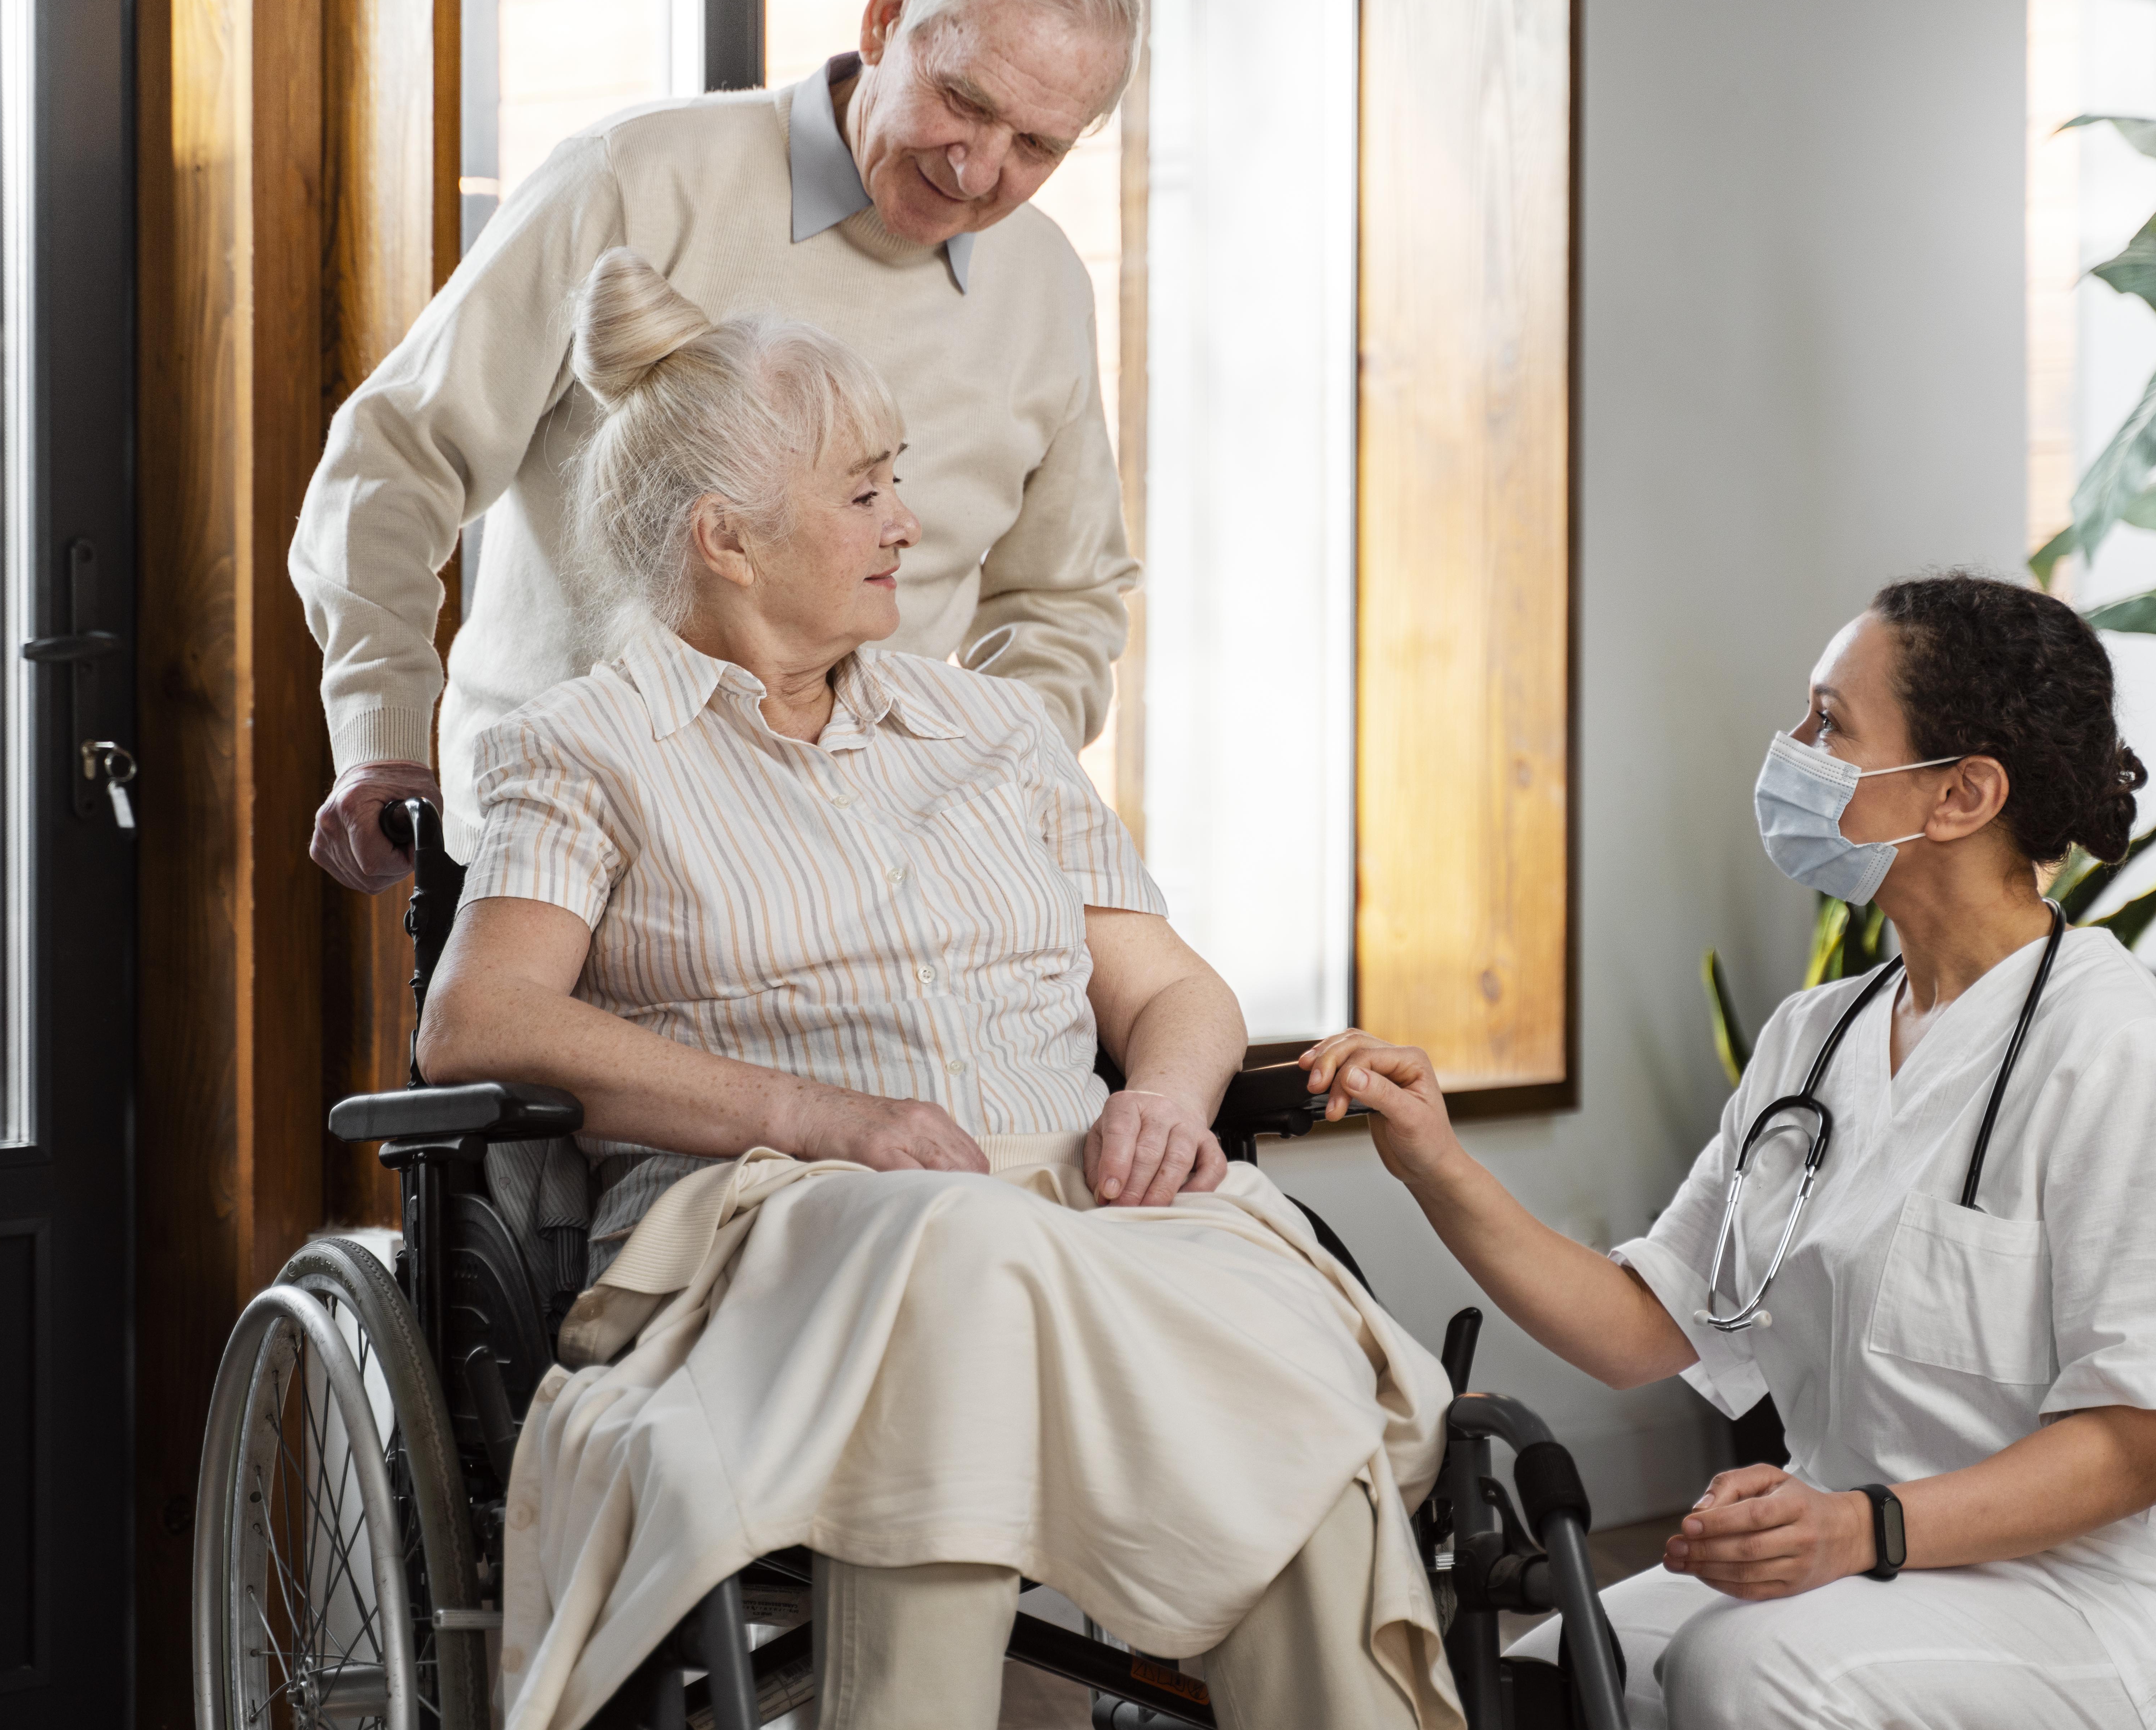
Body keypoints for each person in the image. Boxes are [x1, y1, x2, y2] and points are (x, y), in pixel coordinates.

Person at [422, 252, 1435, 1729]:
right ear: (727, 538)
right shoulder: (586, 748)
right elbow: (482, 1020)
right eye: (862, 492)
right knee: (955, 1241)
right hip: (780, 1223)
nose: (909, 522)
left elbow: (1172, 989)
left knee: (1241, 1288)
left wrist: (1160, 1093)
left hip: (1064, 1204)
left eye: (895, 477)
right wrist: (827, 1116)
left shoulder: (994, 731)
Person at [1305, 575, 2156, 1730]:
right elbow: (1637, 1327)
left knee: (1747, 1674)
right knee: (1544, 1677)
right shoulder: (1815, 1041)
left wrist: (1860, 1525)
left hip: (2099, 1601)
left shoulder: (2111, 1049)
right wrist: (1432, 1161)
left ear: (1962, 792)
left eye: (1829, 722)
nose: (1794, 752)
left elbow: (2144, 1440)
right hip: (1869, 1559)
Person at [292, 0, 1143, 882]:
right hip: (558, 858)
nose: (979, 169)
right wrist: (384, 732)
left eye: (1036, 145)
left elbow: (1061, 600)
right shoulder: (633, 178)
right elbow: (394, 457)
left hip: (862, 876)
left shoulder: (1046, 286)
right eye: (961, 100)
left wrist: (981, 787)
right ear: (885, 17)